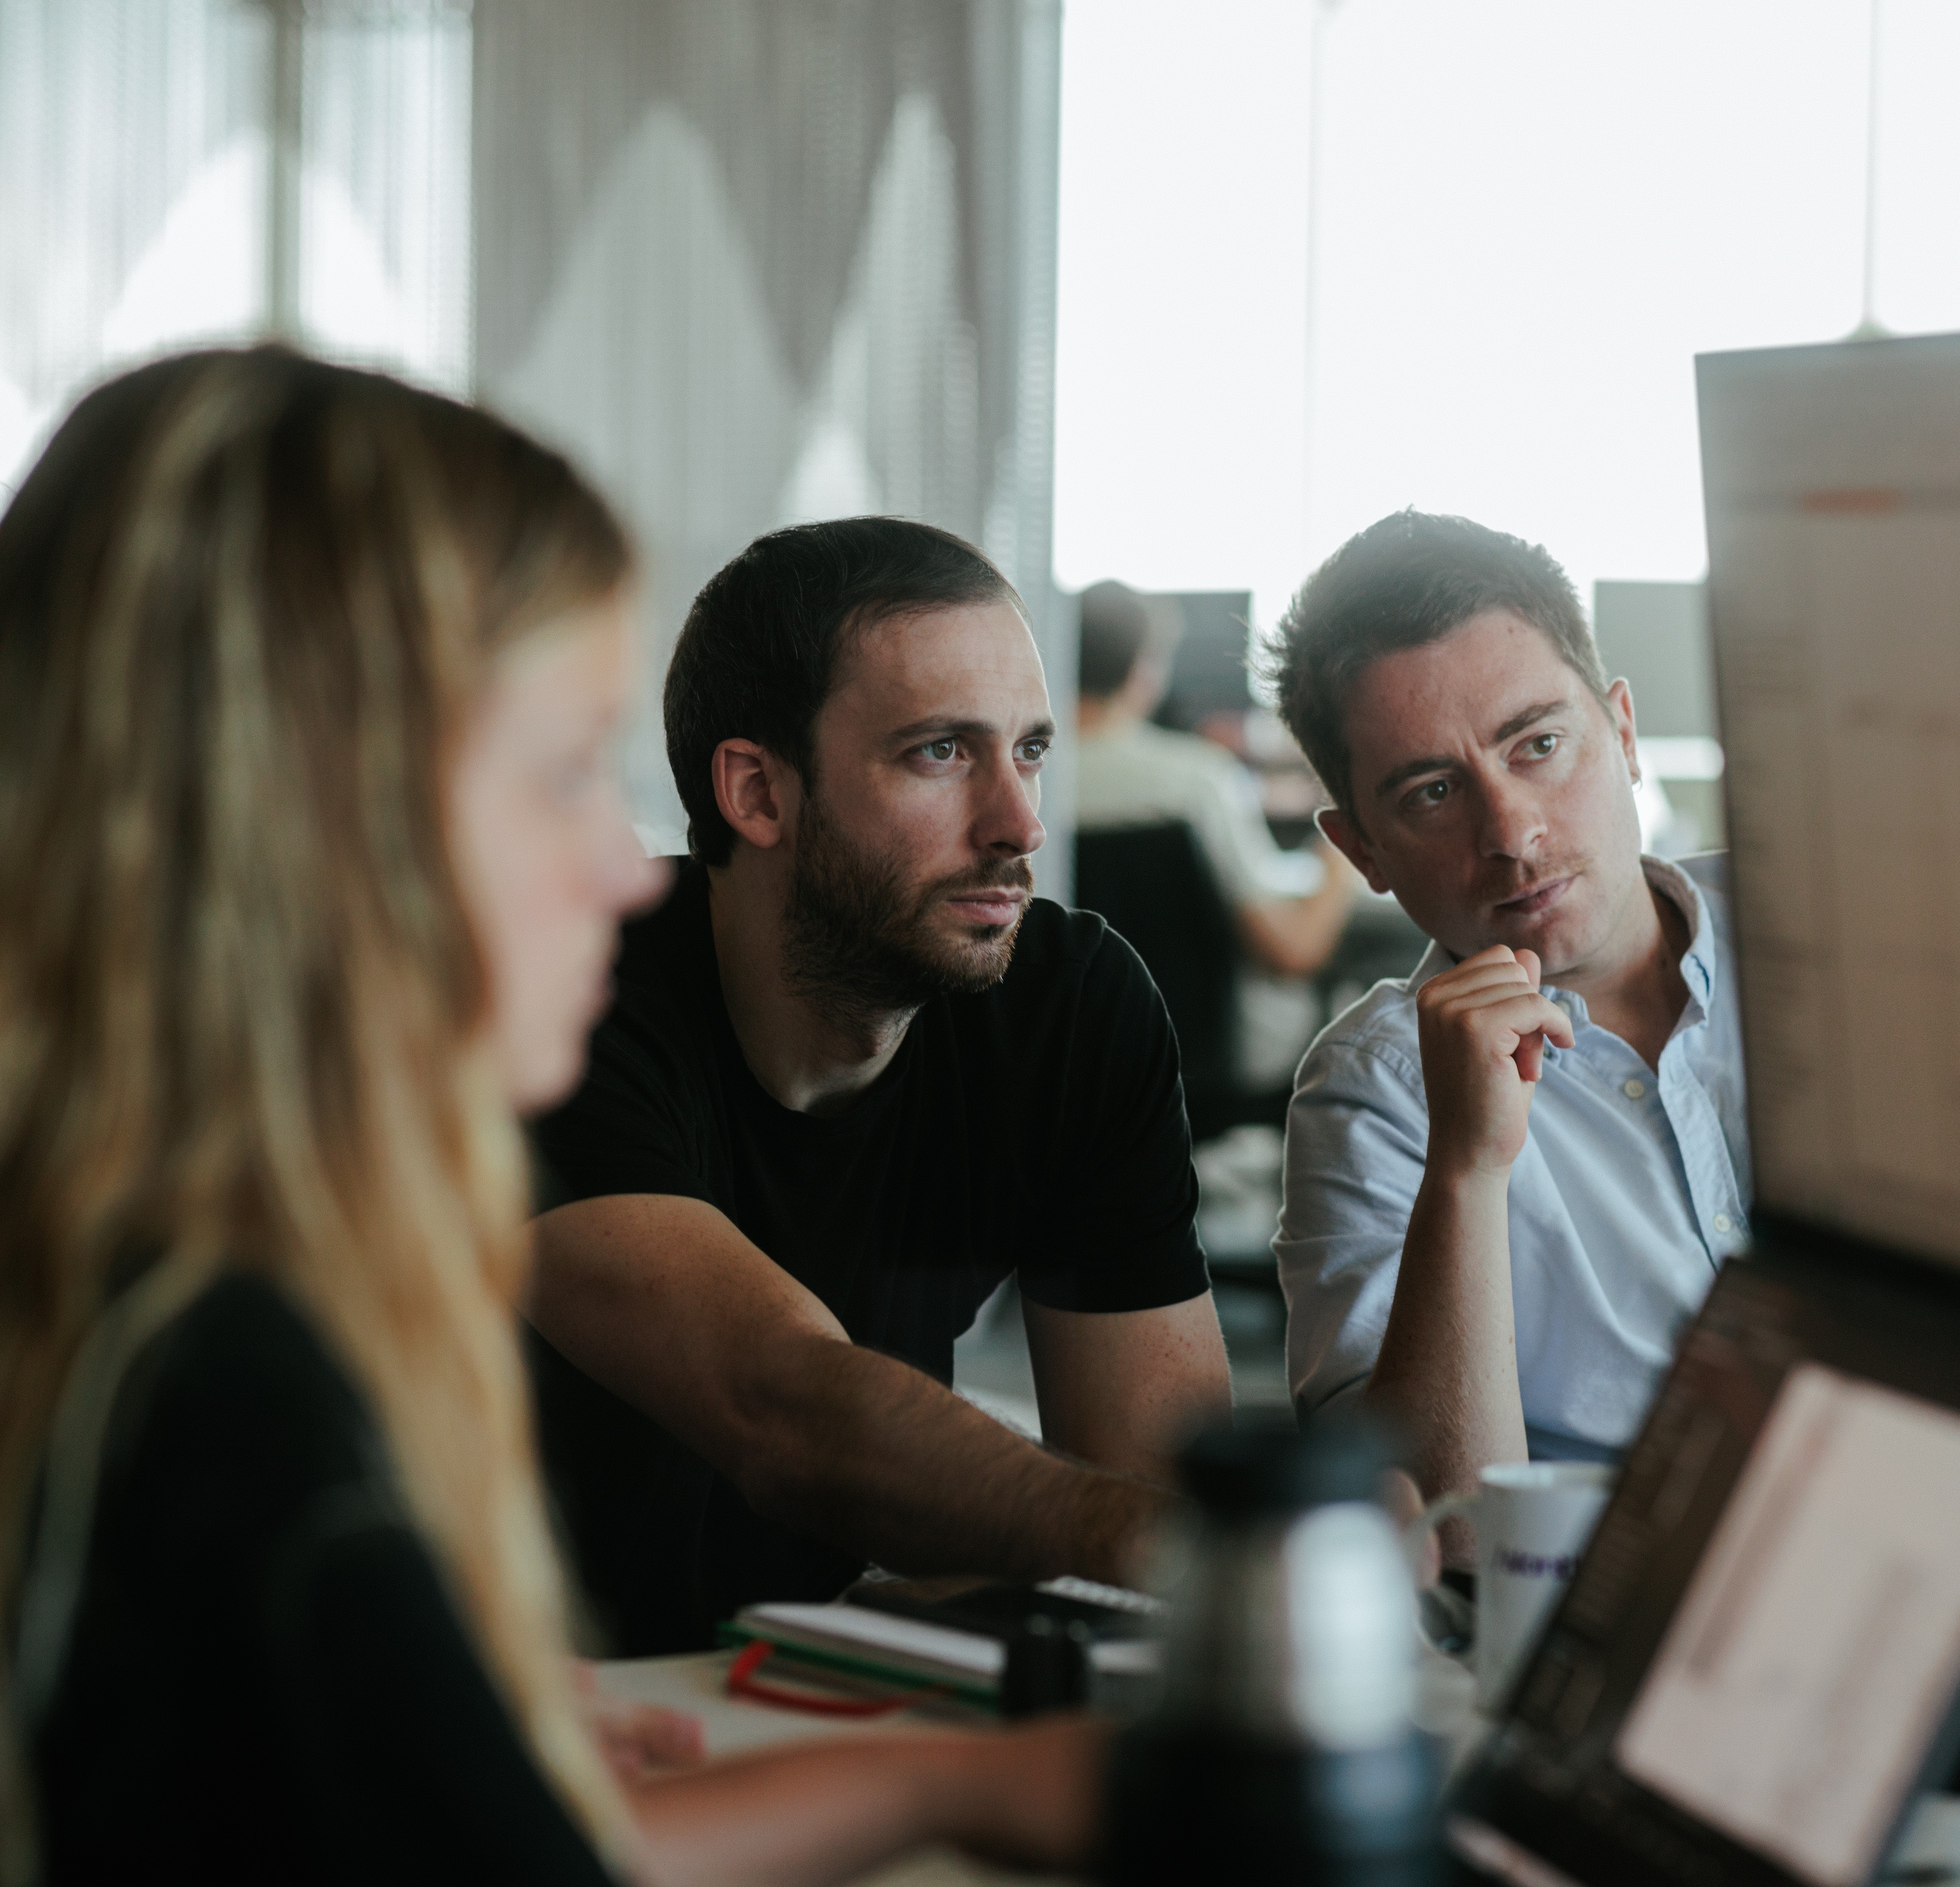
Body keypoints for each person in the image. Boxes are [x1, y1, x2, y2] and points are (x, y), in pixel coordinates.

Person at [0, 348, 1099, 1882]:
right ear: (322, 814)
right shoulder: (209, 1388)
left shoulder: (127, 1283)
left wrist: (436, 1735)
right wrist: (954, 1786)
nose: (616, 866)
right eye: (562, 776)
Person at [527, 522, 1234, 1654]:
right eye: (939, 754)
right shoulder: (566, 1001)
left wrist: (1230, 1540)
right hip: (541, 1712)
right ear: (757, 791)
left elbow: (1151, 1480)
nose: (1020, 825)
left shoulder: (1067, 1004)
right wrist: (1228, 1548)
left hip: (825, 1678)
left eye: (1031, 750)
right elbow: (784, 1408)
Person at [1261, 511, 1749, 1531]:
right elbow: (1432, 1519)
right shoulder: (1377, 1088)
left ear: (1620, 731)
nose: (1511, 835)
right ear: (1363, 854)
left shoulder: (1817, 937)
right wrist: (1466, 1171)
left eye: (1538, 744)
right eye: (1433, 791)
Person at [1072, 580, 1357, 1093]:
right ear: (1144, 670)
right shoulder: (1195, 781)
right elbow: (1293, 953)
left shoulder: (1028, 779)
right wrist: (1343, 847)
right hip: (1208, 1069)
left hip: (1071, 1062)